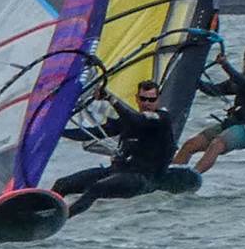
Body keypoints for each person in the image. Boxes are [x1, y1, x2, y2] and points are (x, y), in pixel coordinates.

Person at [52, 79, 188, 216]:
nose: (147, 103)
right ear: (137, 99)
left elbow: (135, 121)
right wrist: (57, 133)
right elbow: (93, 133)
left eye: (151, 100)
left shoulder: (161, 119)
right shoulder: (129, 120)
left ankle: (61, 217)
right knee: (62, 184)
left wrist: (111, 99)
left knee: (97, 188)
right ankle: (42, 212)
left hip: (142, 179)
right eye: (143, 99)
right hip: (116, 171)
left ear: (158, 99)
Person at [178, 39, 245, 175]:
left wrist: (225, 64)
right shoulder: (239, 80)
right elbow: (213, 90)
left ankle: (192, 175)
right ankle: (170, 173)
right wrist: (194, 79)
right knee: (190, 145)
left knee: (217, 144)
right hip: (232, 123)